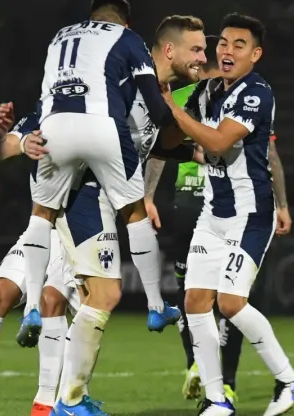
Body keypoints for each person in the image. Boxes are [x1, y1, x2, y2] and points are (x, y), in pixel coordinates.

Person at [50, 12, 213, 416]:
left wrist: (195, 136)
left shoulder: (165, 97)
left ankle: (70, 399)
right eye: (196, 50)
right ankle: (63, 402)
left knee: (98, 297)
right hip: (83, 193)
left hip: (111, 198)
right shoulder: (122, 81)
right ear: (169, 49)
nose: (203, 57)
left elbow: (160, 146)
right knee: (93, 296)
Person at [161, 13, 294, 416]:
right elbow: (172, 136)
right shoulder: (206, 90)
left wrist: (173, 110)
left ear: (255, 55)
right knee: (195, 302)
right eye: (222, 43)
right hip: (213, 213)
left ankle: (289, 379)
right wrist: (160, 106)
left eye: (238, 45)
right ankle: (217, 399)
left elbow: (220, 142)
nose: (226, 50)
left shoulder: (257, 92)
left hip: (250, 215)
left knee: (229, 303)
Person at [15, 0, 181, 351]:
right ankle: (155, 306)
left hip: (53, 127)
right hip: (103, 125)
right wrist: (176, 128)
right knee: (134, 213)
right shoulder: (128, 37)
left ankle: (30, 308)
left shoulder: (59, 37)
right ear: (126, 17)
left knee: (41, 214)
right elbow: (153, 100)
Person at [0, 108, 84, 416]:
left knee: (52, 301)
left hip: (74, 231)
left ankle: (45, 404)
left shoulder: (100, 112)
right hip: (38, 228)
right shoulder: (46, 110)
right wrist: (0, 136)